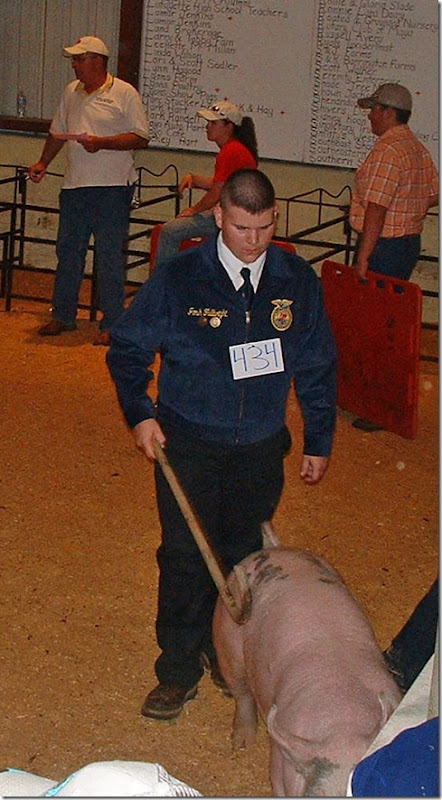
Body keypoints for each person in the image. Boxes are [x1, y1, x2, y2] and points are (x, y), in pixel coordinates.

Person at [106, 168, 337, 721]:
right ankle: (177, 670)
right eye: (241, 228)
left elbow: (317, 362)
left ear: (274, 218)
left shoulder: (295, 279)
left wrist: (319, 437)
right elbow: (127, 348)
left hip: (259, 447)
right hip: (187, 443)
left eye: (263, 228)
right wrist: (140, 413)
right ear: (219, 217)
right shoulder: (181, 276)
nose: (253, 241)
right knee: (185, 557)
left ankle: (223, 653)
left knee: (242, 558)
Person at [29, 35, 150, 346]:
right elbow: (57, 132)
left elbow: (140, 136)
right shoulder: (71, 92)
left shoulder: (124, 93)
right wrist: (43, 162)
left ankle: (112, 322)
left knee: (109, 256)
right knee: (68, 252)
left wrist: (103, 143)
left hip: (111, 187)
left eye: (80, 59)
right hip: (74, 185)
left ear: (98, 60)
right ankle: (63, 315)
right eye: (74, 59)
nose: (75, 64)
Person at [349, 82, 438, 432]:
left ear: (388, 112)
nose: (370, 115)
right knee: (391, 324)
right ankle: (388, 399)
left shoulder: (388, 151)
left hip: (384, 245)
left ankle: (378, 406)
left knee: (376, 327)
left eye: (373, 109)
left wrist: (364, 256)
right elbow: (432, 194)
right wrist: (409, 209)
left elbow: (376, 208)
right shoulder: (415, 148)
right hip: (406, 242)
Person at [153, 99, 258, 267]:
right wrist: (195, 179)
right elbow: (222, 184)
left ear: (228, 126)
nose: (207, 126)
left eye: (213, 123)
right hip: (236, 214)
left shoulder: (230, 151)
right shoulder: (237, 149)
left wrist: (193, 210)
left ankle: (161, 283)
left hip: (231, 216)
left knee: (170, 231)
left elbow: (216, 193)